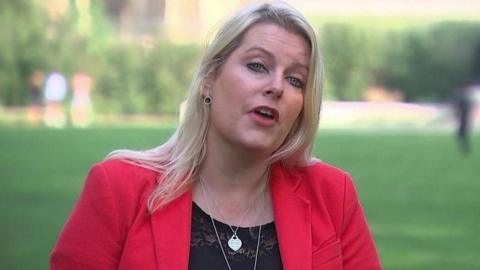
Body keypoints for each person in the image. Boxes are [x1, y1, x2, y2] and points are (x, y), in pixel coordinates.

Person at [51, 2, 382, 269]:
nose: (276, 86)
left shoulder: (333, 195)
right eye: (257, 66)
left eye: (295, 80)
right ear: (209, 80)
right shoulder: (118, 188)